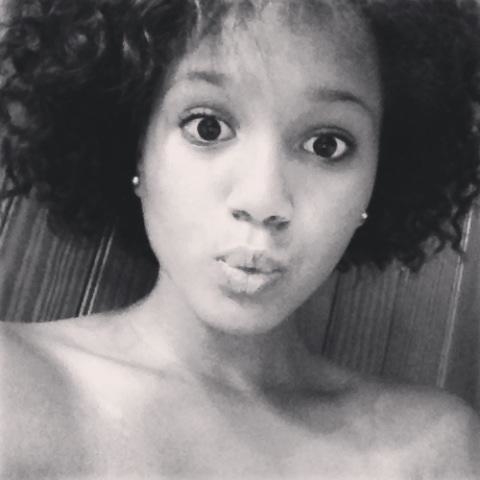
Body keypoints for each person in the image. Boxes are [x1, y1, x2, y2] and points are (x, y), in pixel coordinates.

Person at [1, 0, 480, 478]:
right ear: (136, 146)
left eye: (326, 145)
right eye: (207, 127)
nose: (264, 198)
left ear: (382, 174)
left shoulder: (429, 450)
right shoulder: (14, 386)